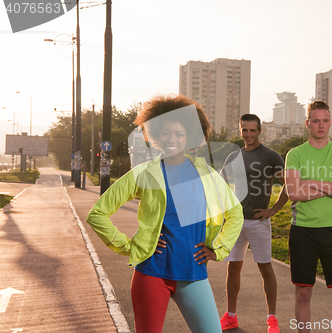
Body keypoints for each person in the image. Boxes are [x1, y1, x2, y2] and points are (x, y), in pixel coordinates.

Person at [86, 95, 243, 333]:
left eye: (179, 134)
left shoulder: (207, 175)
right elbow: (97, 214)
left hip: (193, 272)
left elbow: (235, 213)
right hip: (152, 273)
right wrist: (130, 246)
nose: (173, 139)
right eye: (167, 133)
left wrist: (218, 249)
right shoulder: (144, 173)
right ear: (156, 135)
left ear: (189, 136)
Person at [284, 101, 332, 333]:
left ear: (330, 123)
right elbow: (293, 192)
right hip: (302, 231)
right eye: (316, 121)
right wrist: (331, 185)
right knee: (303, 294)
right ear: (308, 123)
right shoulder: (294, 154)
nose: (321, 125)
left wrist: (312, 183)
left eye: (325, 120)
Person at [219, 114, 288, 333]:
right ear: (240, 131)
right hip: (236, 222)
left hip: (259, 222)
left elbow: (288, 185)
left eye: (252, 130)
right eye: (244, 130)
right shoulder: (233, 156)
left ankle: (272, 319)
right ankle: (231, 316)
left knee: (266, 269)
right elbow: (220, 185)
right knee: (233, 268)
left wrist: (274, 209)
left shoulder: (271, 156)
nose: (248, 134)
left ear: (259, 131)